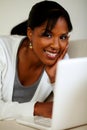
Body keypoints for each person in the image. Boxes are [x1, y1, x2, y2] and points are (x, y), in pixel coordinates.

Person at [0, 0, 73, 120]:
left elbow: (68, 110)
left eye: (63, 37)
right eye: (48, 35)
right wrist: (37, 108)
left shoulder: (61, 59)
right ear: (30, 33)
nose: (56, 45)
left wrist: (55, 79)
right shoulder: (1, 50)